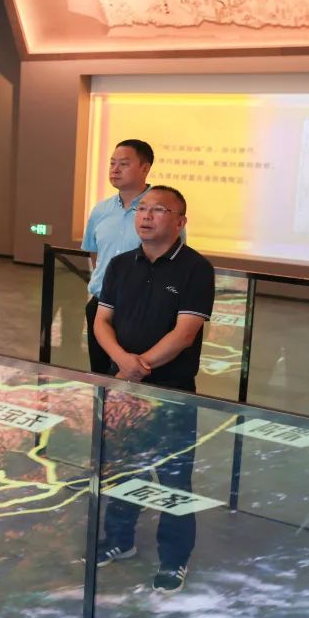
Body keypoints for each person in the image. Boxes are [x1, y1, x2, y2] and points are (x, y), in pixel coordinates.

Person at [92, 185, 215, 594]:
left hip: (171, 391)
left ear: (180, 221)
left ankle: (174, 559)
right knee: (123, 467)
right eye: (142, 209)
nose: (145, 216)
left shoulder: (196, 269)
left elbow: (184, 334)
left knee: (174, 478)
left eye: (158, 210)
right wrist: (122, 363)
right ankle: (120, 539)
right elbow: (102, 321)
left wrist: (138, 366)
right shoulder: (121, 264)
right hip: (123, 387)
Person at [82, 139, 154, 375]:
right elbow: (95, 253)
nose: (115, 169)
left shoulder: (159, 209)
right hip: (101, 305)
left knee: (135, 377)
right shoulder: (101, 210)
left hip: (141, 310)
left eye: (123, 164)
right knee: (101, 376)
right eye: (112, 163)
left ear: (145, 168)